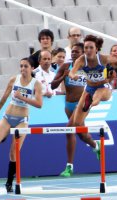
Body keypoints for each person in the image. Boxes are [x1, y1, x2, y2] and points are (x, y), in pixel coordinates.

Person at [0, 58, 43, 193]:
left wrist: (22, 97)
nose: (23, 69)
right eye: (21, 66)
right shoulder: (13, 80)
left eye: (26, 66)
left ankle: (9, 182)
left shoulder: (36, 84)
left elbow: (39, 104)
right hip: (7, 117)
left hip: (22, 120)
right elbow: (3, 99)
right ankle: (3, 135)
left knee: (13, 152)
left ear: (32, 68)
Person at [68, 35, 117, 159]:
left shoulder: (103, 59)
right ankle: (95, 144)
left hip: (104, 87)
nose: (88, 50)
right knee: (77, 123)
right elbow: (72, 71)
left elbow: (116, 62)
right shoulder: (81, 60)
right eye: (86, 48)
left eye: (91, 47)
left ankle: (90, 103)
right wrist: (73, 75)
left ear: (96, 49)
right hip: (89, 88)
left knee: (97, 96)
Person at [51, 43, 86, 177]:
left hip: (82, 104)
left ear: (83, 54)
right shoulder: (65, 67)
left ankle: (69, 166)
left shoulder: (88, 68)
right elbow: (53, 86)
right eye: (72, 52)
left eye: (77, 52)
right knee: (82, 135)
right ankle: (96, 146)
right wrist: (63, 76)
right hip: (69, 105)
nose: (73, 54)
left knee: (69, 130)